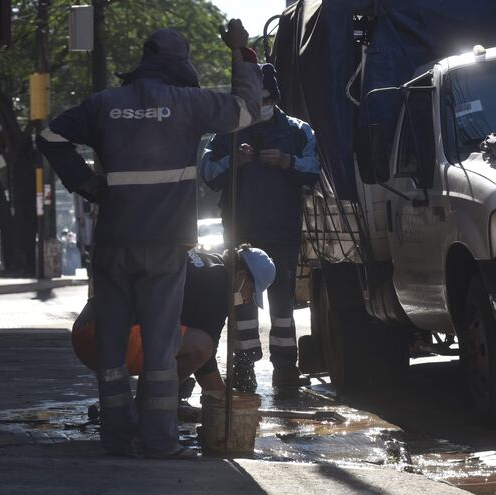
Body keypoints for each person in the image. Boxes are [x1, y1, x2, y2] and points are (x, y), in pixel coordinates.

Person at [37, 21, 262, 459]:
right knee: (160, 347)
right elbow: (247, 109)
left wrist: (88, 184)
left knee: (112, 344)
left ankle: (117, 437)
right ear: (180, 66)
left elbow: (49, 137)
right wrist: (240, 51)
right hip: (164, 243)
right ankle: (159, 441)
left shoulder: (104, 104)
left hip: (113, 241)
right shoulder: (189, 103)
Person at [199, 64, 321, 392]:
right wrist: (233, 162)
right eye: (254, 99)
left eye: (265, 98)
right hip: (240, 234)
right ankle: (243, 368)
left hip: (283, 230)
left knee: (283, 304)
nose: (260, 105)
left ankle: (285, 369)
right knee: (241, 301)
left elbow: (315, 168)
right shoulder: (227, 134)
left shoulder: (297, 131)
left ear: (275, 97)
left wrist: (287, 161)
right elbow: (207, 172)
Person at [71, 245, 276, 397]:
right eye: (250, 292)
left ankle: (150, 403)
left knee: (174, 339)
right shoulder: (218, 286)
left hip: (89, 328)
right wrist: (225, 399)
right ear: (240, 276)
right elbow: (205, 360)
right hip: (101, 338)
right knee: (201, 346)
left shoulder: (209, 263)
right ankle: (151, 405)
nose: (247, 299)